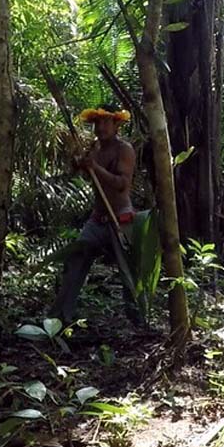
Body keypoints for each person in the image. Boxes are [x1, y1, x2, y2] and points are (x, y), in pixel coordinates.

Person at [49, 104, 140, 326]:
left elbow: (122, 184)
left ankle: (138, 320)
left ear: (116, 125)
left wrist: (96, 168)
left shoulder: (124, 150)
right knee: (75, 262)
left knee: (129, 273)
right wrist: (80, 165)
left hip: (121, 218)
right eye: (97, 122)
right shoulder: (94, 149)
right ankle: (59, 318)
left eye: (106, 122)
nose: (100, 127)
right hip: (97, 218)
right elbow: (89, 177)